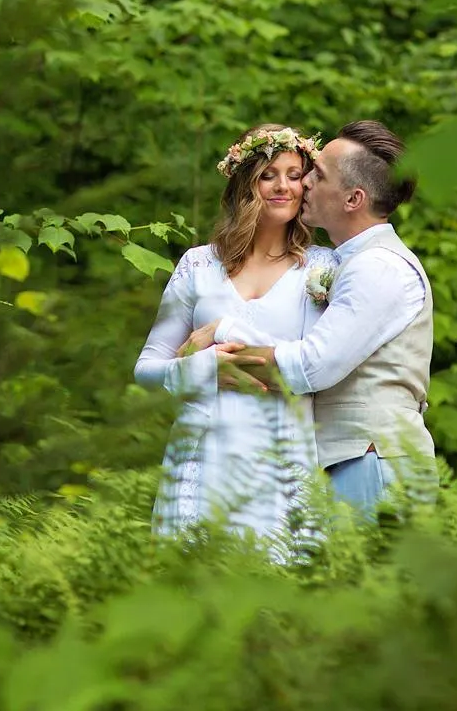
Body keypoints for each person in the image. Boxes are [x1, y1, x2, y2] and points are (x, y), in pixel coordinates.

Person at [133, 124, 341, 562]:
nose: (283, 186)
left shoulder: (322, 269)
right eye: (268, 174)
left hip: (278, 458)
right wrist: (204, 369)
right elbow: (148, 368)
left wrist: (223, 330)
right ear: (245, 182)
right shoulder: (198, 265)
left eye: (293, 174)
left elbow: (316, 366)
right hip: (201, 452)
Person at [219, 119, 435, 520]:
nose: (305, 183)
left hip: (372, 462)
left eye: (317, 174)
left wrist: (217, 345)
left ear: (353, 199)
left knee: (368, 582)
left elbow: (311, 366)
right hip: (351, 458)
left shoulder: (379, 268)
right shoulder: (347, 261)